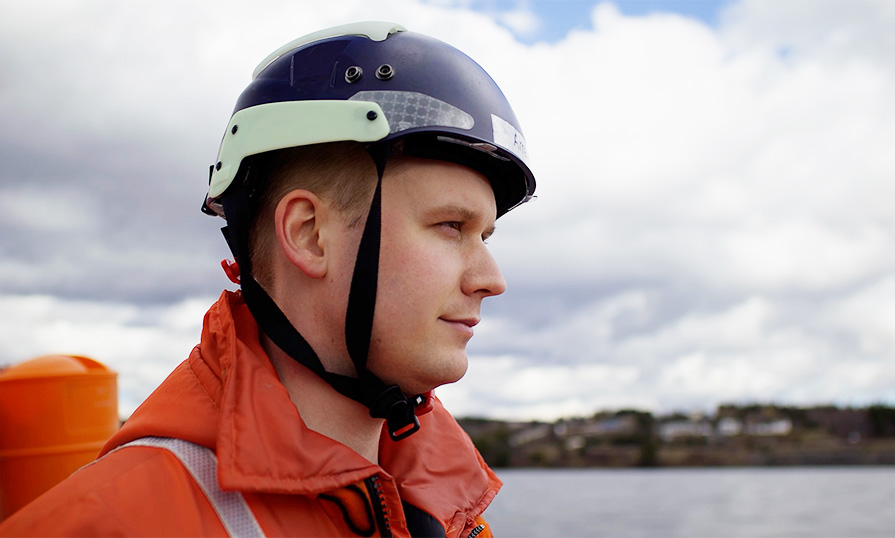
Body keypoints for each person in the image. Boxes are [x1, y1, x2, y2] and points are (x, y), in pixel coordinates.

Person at [0, 21, 535, 537]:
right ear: (308, 235)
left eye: (485, 237)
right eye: (450, 226)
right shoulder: (106, 525)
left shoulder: (443, 508)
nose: (491, 279)